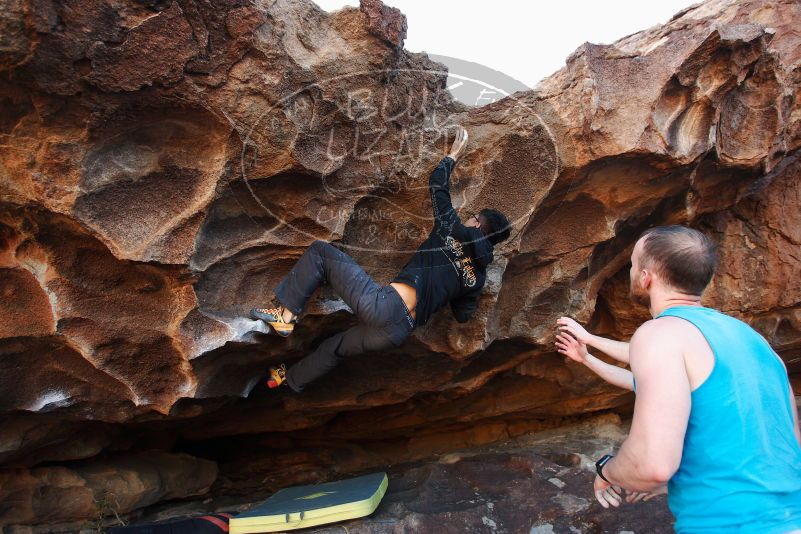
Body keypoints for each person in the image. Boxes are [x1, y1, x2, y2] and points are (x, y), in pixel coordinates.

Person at [559, 225, 801, 533]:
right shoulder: (753, 341)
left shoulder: (660, 334)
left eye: (633, 265)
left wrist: (608, 470)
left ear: (646, 277)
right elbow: (785, 445)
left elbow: (653, 465)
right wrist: (681, 480)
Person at [251, 126, 512, 391]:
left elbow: (437, 185)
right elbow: (462, 315)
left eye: (473, 216)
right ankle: (289, 379)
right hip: (396, 332)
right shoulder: (477, 279)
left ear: (478, 224)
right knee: (334, 349)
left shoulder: (453, 230)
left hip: (384, 305)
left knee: (321, 253)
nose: (469, 218)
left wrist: (452, 156)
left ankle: (285, 315)